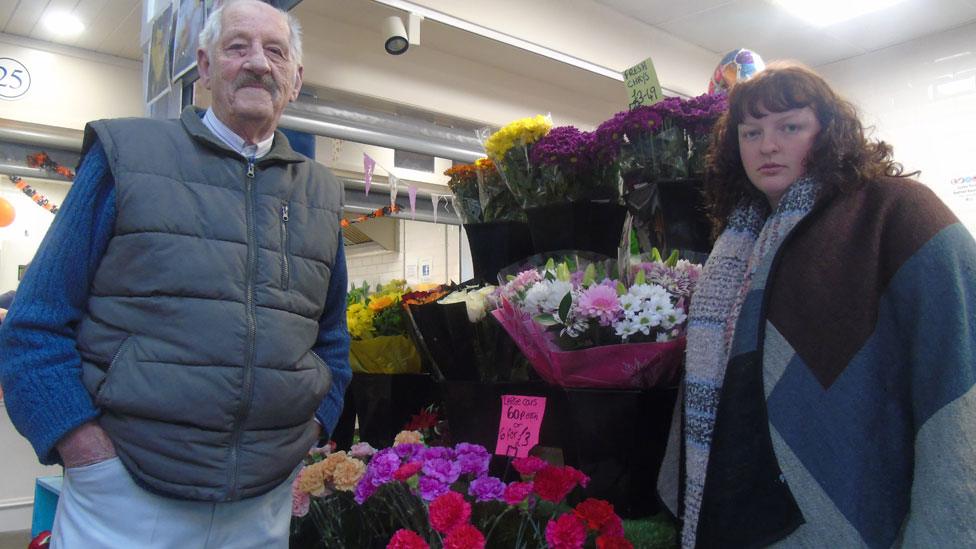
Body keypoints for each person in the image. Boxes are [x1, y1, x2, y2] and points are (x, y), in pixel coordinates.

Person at [0, 1, 351, 546]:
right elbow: (34, 325)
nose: (258, 63)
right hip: (126, 496)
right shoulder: (128, 154)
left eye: (275, 51)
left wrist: (314, 427)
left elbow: (330, 340)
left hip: (264, 503)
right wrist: (82, 447)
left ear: (295, 79)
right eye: (238, 47)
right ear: (206, 68)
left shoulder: (322, 194)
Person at [657, 63, 976, 547]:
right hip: (743, 494)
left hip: (866, 486)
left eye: (790, 126)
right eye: (751, 132)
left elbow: (957, 356)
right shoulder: (736, 244)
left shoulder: (895, 210)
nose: (767, 145)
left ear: (829, 132)